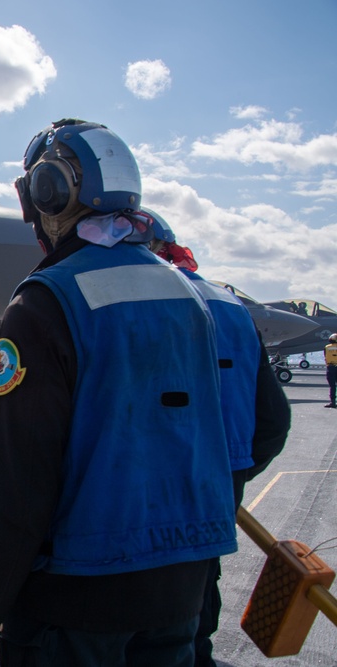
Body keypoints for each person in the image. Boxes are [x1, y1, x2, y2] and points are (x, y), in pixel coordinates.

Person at [0, 118, 238, 667]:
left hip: (77, 601)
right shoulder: (187, 292)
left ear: (46, 193)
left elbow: (19, 492)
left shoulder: (45, 302)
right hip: (181, 593)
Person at [148, 209, 291, 666]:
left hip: (144, 494)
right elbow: (272, 421)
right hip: (220, 487)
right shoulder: (232, 307)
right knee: (199, 598)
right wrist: (231, 476)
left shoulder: (133, 300)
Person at [325, 333, 337, 407]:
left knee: (332, 386)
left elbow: (325, 356)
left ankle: (333, 402)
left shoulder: (327, 347)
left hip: (331, 367)